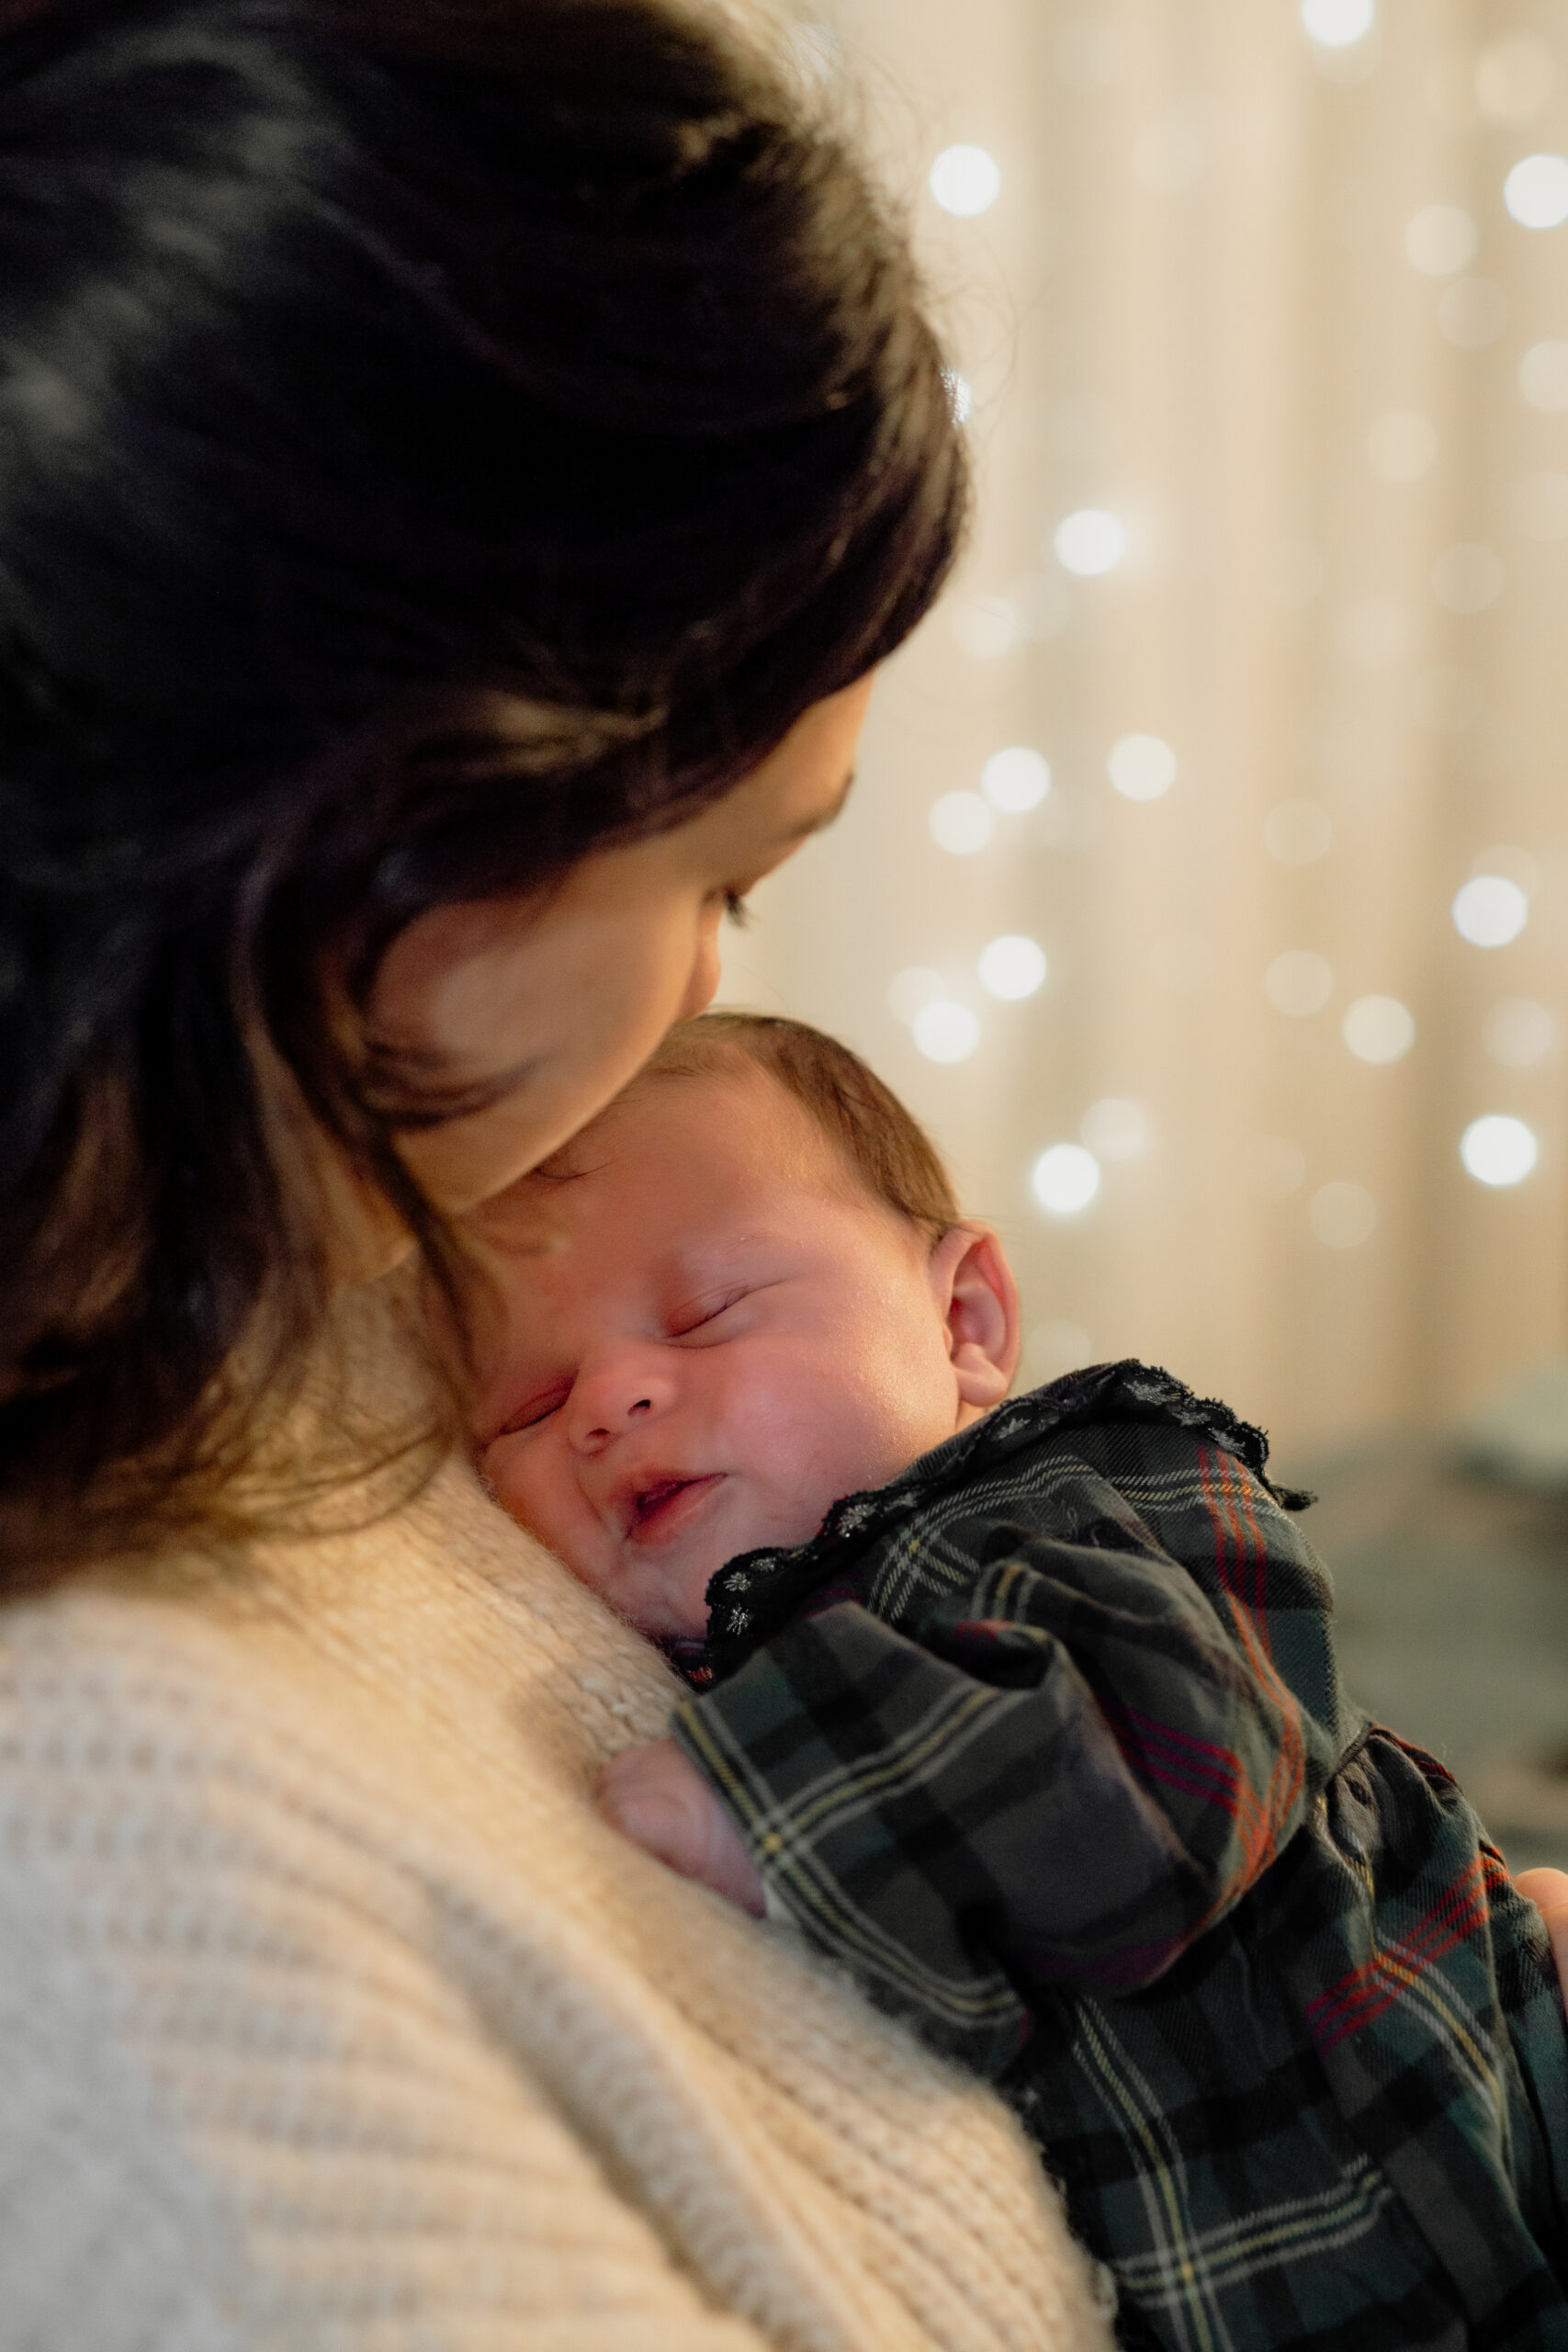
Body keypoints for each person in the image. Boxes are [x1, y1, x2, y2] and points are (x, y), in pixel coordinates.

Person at [0, 4, 1112, 2344]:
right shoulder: (113, 1904)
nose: (709, 980)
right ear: (403, 855)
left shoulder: (291, 1314)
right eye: (728, 872)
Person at [474, 1011, 1568, 2352]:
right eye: (526, 1403)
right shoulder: (691, 1657)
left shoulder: (1081, 1496)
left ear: (964, 1322)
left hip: (1475, 2113)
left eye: (706, 1315)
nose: (610, 1400)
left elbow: (1170, 1767)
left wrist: (754, 1808)